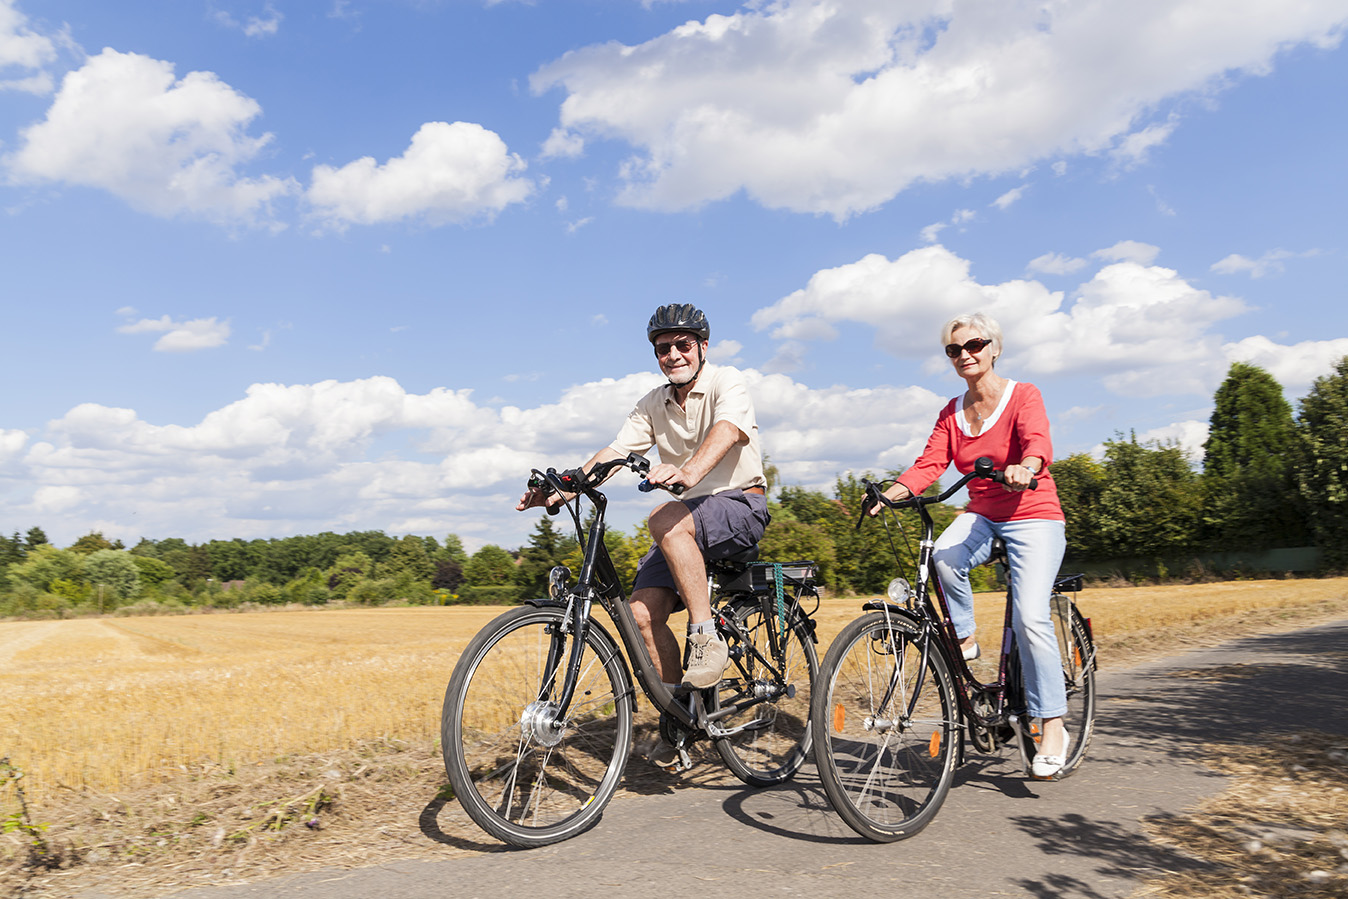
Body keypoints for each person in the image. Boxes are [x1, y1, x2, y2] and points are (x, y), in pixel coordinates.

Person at [517, 303, 769, 719]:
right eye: (662, 348)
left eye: (683, 345)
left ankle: (706, 638)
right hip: (687, 520)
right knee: (640, 616)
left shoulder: (729, 381)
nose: (673, 355)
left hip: (741, 502)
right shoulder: (654, 402)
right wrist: (564, 489)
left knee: (661, 517)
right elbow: (617, 451)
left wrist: (688, 472)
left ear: (703, 346)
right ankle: (682, 716)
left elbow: (727, 430)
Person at [876, 312, 1070, 778]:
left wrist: (1028, 465)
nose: (965, 355)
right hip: (982, 513)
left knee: (1029, 617)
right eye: (954, 349)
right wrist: (891, 493)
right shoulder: (952, 412)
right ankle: (965, 638)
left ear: (994, 348)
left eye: (975, 345)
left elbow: (1037, 441)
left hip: (1033, 513)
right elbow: (930, 465)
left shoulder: (1023, 395)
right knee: (941, 555)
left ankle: (1054, 724)